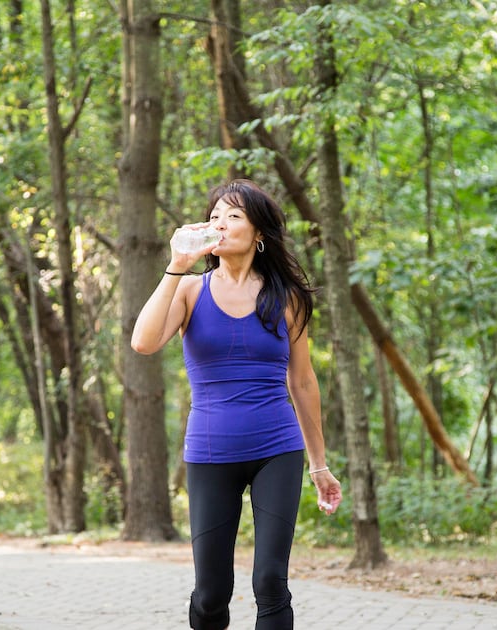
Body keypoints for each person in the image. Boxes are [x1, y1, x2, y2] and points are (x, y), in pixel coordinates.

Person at [131, 179, 342, 629]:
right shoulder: (190, 290)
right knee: (211, 595)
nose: (221, 224)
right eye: (214, 216)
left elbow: (303, 382)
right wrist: (176, 266)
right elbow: (143, 343)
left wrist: (319, 464)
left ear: (259, 232)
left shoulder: (287, 297)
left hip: (277, 449)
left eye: (233, 215)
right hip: (210, 451)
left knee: (270, 581)